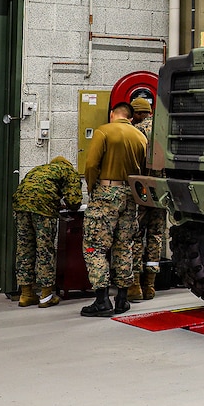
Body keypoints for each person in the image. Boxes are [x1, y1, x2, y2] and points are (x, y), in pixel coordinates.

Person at [80, 101, 147, 318]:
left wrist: (93, 189)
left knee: (95, 246)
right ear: (129, 117)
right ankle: (122, 299)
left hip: (106, 193)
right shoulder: (140, 137)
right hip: (130, 196)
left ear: (112, 114)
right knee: (124, 245)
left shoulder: (104, 131)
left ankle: (102, 300)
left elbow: (91, 165)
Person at [12, 156, 83, 309]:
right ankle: (46, 296)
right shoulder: (68, 171)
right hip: (43, 209)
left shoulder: (39, 169)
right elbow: (74, 201)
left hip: (21, 205)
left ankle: (26, 294)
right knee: (45, 250)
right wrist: (67, 205)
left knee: (25, 249)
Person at [127, 96, 166, 302]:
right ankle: (150, 286)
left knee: (135, 235)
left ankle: (135, 286)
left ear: (138, 113)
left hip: (142, 191)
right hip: (162, 191)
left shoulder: (137, 131)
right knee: (156, 236)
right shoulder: (164, 128)